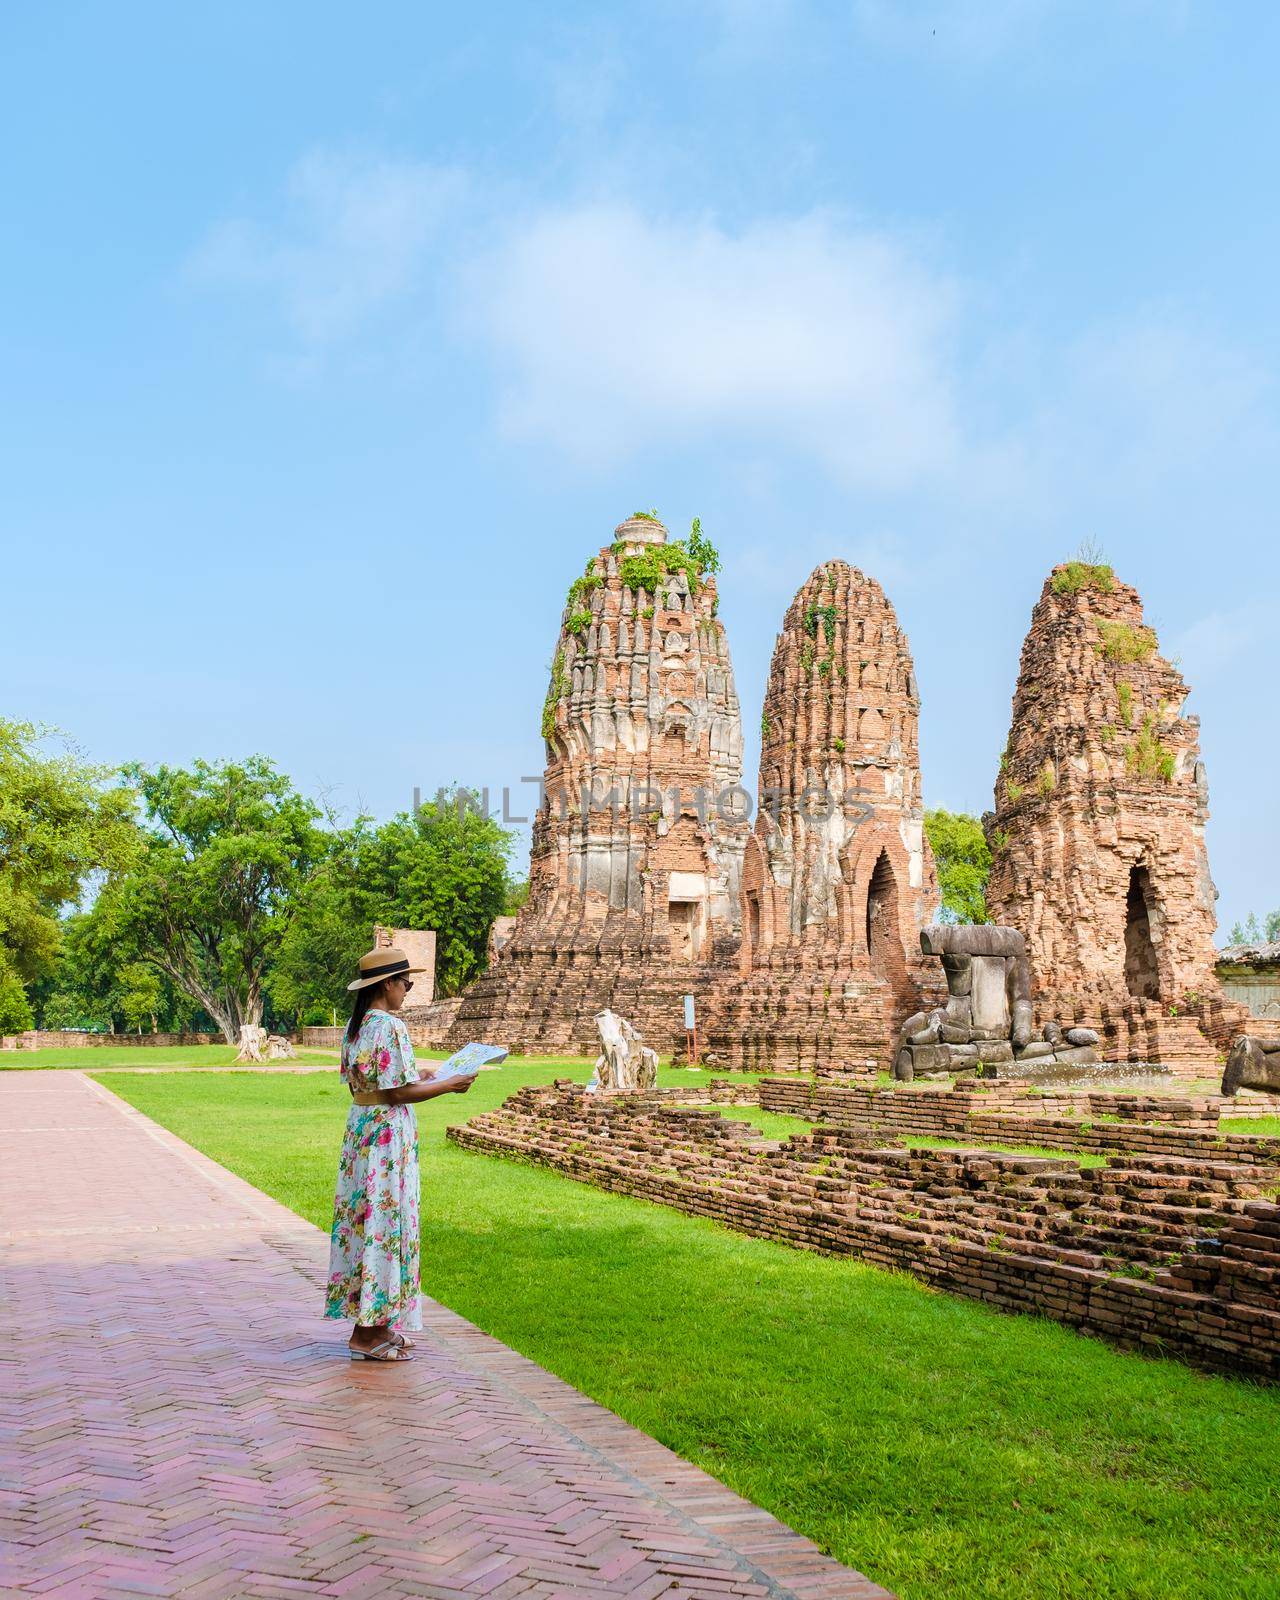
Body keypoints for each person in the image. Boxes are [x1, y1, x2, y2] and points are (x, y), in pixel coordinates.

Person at [323, 945, 476, 1362]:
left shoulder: (356, 1027)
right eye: (406, 982)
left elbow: (372, 1085)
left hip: (362, 1134)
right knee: (386, 1225)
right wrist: (448, 1084)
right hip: (387, 1139)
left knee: (368, 1221)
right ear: (387, 983)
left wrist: (424, 1074)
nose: (407, 990)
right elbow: (397, 1092)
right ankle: (366, 1334)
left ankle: (380, 1321)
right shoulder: (389, 1026)